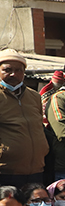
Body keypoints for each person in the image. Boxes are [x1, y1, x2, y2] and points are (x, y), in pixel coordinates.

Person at [0, 49, 47, 186]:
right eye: (7, 70)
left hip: (36, 169)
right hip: (5, 171)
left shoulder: (34, 96)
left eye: (19, 70)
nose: (14, 74)